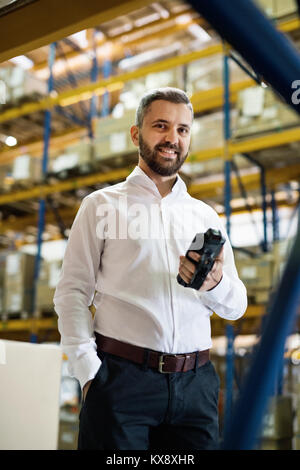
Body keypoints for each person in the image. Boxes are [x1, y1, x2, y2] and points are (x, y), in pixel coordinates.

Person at [54, 87, 247, 450]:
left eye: (182, 130)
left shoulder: (204, 215)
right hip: (121, 383)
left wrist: (214, 283)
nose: (172, 138)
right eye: (161, 125)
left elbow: (237, 306)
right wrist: (88, 373)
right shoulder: (100, 206)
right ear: (136, 133)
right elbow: (72, 292)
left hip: (196, 388)